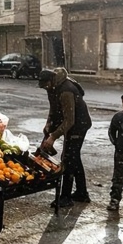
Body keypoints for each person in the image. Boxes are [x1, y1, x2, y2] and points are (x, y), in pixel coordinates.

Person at [37, 67, 92, 208]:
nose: (46, 89)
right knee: (74, 157)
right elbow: (53, 109)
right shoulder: (52, 87)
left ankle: (65, 197)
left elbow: (70, 120)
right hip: (72, 123)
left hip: (79, 125)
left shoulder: (66, 90)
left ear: (52, 80)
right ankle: (81, 193)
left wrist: (53, 137)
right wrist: (48, 125)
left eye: (46, 85)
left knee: (67, 159)